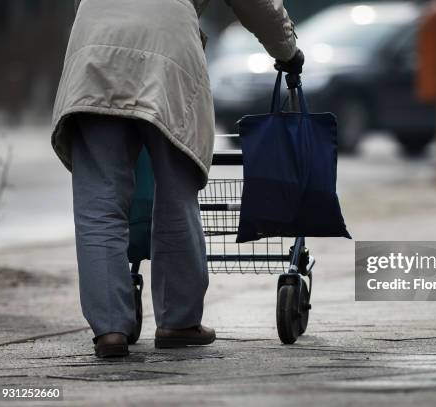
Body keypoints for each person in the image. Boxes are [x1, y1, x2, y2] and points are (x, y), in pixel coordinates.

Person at [51, 0, 304, 358]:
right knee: (175, 191)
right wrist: (287, 50)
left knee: (99, 203)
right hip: (167, 55)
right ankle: (178, 321)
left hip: (95, 52)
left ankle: (109, 329)